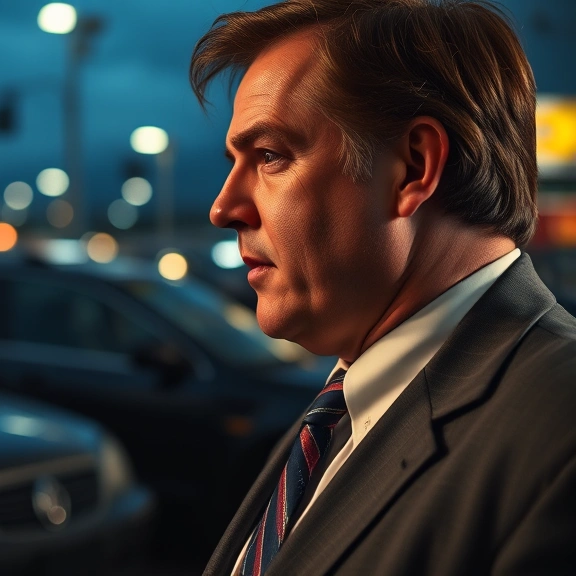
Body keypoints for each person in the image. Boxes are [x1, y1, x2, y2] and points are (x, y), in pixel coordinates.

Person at [189, 0, 576, 574]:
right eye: (234, 161)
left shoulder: (557, 427)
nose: (224, 207)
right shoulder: (341, 408)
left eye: (269, 156)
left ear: (413, 168)